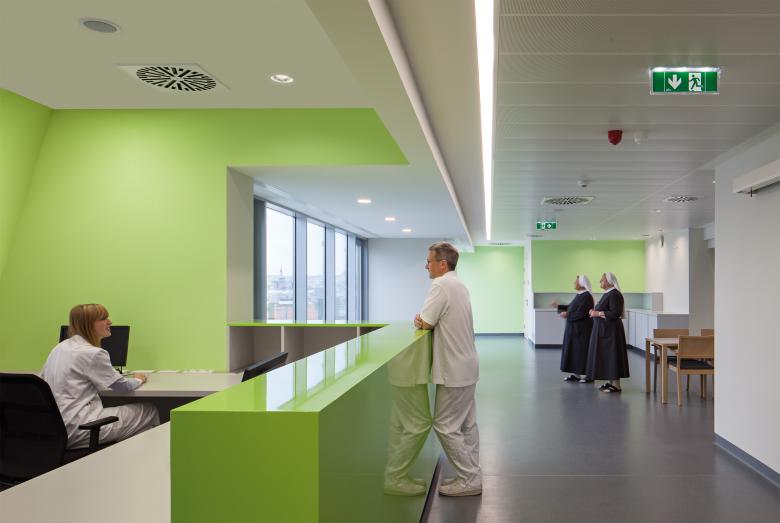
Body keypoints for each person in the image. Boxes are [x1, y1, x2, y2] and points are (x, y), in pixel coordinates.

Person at [414, 242, 481, 497]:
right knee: (467, 425)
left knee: (444, 425)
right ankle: (471, 474)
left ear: (442, 264)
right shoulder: (459, 285)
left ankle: (470, 479)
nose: (426, 266)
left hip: (454, 368)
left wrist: (421, 321)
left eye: (429, 261)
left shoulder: (441, 285)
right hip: (467, 364)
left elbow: (426, 322)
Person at [41, 304, 159, 449]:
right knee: (149, 410)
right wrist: (139, 379)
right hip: (80, 429)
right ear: (88, 324)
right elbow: (123, 387)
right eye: (103, 319)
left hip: (53, 429)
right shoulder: (93, 353)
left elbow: (44, 379)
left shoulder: (59, 348)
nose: (110, 322)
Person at [585, 273, 630, 392]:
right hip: (605, 331)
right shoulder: (609, 293)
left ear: (609, 281)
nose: (600, 281)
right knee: (608, 357)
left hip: (611, 332)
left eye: (602, 279)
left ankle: (616, 385)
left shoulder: (614, 294)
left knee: (612, 356)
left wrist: (597, 313)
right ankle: (611, 383)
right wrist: (594, 312)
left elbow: (616, 312)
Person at [558, 275, 595, 383]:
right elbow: (570, 307)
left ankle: (589, 376)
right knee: (575, 352)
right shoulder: (579, 295)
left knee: (582, 352)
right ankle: (576, 374)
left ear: (582, 283)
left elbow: (581, 313)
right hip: (575, 330)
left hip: (582, 331)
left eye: (576, 281)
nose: (574, 283)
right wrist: (558, 307)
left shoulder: (586, 296)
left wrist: (567, 315)